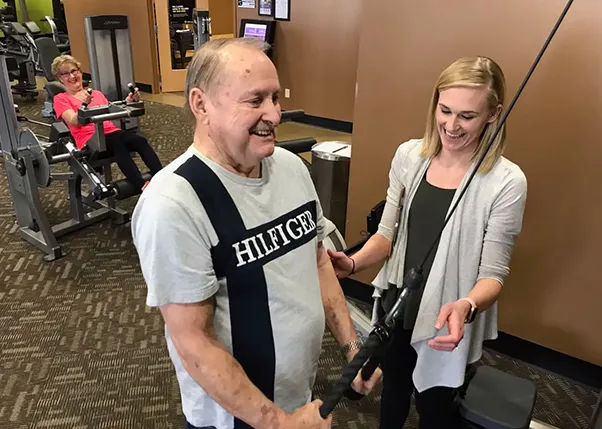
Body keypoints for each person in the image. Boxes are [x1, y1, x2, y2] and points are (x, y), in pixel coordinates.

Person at [130, 38, 381, 429]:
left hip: (297, 392)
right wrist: (279, 423)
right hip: (236, 416)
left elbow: (316, 263)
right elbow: (193, 341)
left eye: (275, 98)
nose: (275, 115)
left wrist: (353, 349)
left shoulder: (291, 167)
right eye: (255, 100)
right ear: (201, 104)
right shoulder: (174, 203)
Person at [328, 56, 528, 429]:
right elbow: (387, 236)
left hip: (445, 319)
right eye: (445, 110)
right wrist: (352, 263)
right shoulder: (409, 156)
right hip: (397, 306)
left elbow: (494, 275)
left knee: (435, 409)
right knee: (393, 395)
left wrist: (467, 305)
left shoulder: (506, 182)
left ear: (493, 114)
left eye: (466, 116)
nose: (451, 126)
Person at [51, 55, 163, 193]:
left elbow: (111, 109)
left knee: (139, 139)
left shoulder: (96, 94)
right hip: (90, 141)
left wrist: (129, 101)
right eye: (66, 74)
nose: (72, 76)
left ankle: (162, 177)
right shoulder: (61, 99)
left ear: (80, 72)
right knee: (117, 142)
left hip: (112, 133)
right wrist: (84, 105)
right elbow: (74, 120)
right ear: (60, 79)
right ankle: (140, 185)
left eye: (74, 71)